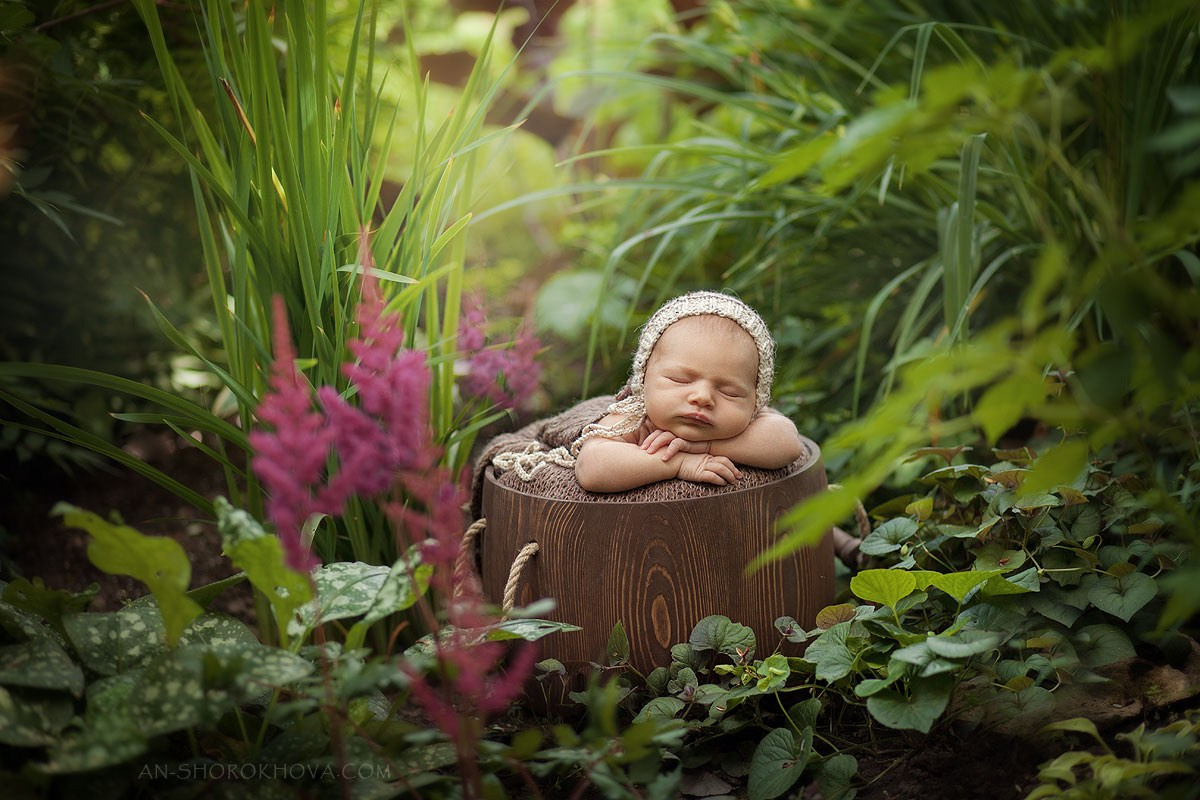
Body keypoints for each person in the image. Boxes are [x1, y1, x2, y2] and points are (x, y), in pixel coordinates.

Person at [573, 291, 805, 493]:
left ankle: (838, 540)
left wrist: (703, 446)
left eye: (730, 392)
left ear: (755, 400)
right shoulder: (634, 419)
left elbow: (788, 444)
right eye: (680, 380)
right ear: (644, 381)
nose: (703, 397)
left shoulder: (752, 421)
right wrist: (680, 462)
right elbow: (592, 467)